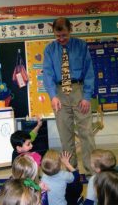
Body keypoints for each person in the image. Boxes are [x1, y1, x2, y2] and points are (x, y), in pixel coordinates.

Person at [43, 17, 95, 175]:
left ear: (70, 30)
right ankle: (72, 171)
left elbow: (89, 72)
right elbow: (48, 74)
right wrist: (53, 96)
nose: (61, 39)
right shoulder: (50, 49)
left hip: (79, 90)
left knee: (86, 133)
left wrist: (86, 97)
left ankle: (91, 170)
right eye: (57, 36)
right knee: (65, 135)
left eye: (64, 35)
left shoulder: (81, 46)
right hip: (59, 94)